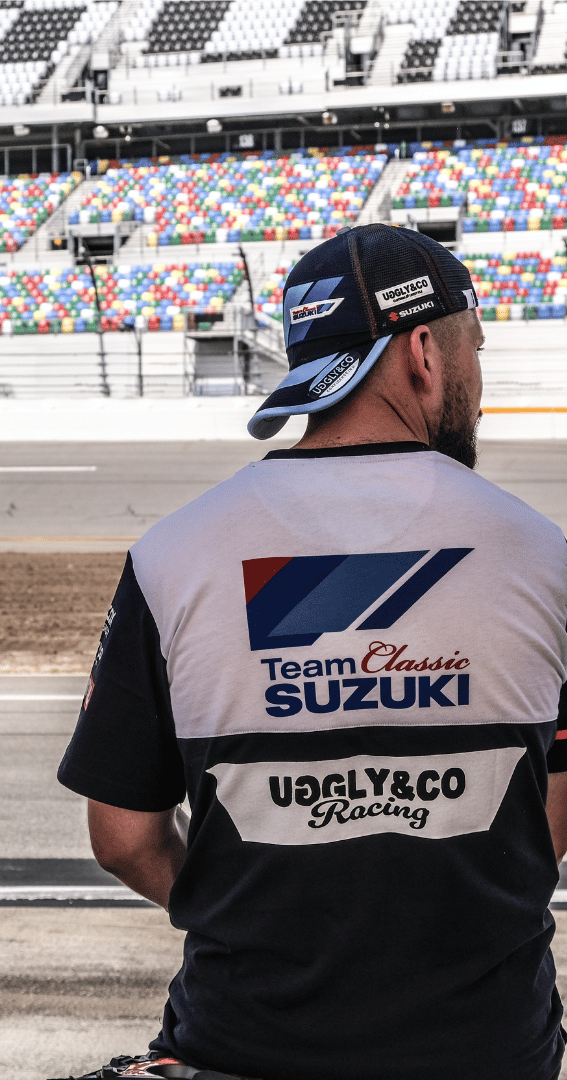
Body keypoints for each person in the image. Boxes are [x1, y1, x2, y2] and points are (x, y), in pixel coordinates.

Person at [57, 223, 567, 1080]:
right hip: (485, 1045)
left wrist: (245, 916)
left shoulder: (176, 554)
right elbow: (549, 815)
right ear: (423, 354)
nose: (477, 383)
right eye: (472, 348)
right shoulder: (542, 554)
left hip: (247, 1041)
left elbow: (122, 838)